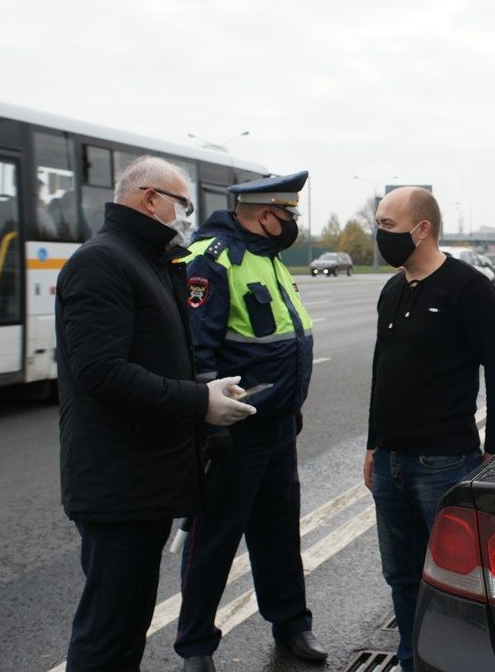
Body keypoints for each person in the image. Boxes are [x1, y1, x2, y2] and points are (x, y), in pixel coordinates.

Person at [56, 156, 256, 671]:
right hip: (117, 486)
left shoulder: (149, 259)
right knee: (107, 631)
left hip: (142, 482)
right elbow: (101, 371)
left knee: (126, 627)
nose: (187, 218)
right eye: (182, 206)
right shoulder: (102, 261)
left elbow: (151, 360)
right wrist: (199, 402)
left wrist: (204, 388)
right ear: (150, 199)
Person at [364, 187, 495, 672]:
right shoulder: (392, 288)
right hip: (390, 462)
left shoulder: (468, 288)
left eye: (387, 224)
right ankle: (412, 661)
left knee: (457, 582)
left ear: (422, 228)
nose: (379, 233)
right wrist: (373, 446)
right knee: (401, 576)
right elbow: (382, 370)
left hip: (442, 463)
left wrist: (494, 448)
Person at [174, 171, 325, 671]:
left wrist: (290, 408)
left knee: (279, 533)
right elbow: (198, 353)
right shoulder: (213, 260)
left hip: (277, 425)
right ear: (266, 216)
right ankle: (196, 646)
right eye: (288, 216)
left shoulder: (268, 259)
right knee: (213, 540)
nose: (291, 225)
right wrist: (211, 426)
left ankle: (291, 625)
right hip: (233, 430)